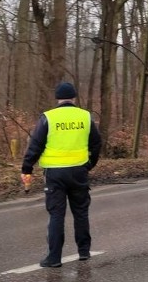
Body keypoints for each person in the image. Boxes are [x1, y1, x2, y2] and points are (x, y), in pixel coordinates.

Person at [21, 82, 103, 268]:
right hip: (79, 171)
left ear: (57, 98)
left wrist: (27, 168)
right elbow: (97, 144)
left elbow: (35, 146)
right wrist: (90, 164)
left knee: (57, 215)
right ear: (74, 98)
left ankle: (54, 258)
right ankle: (84, 251)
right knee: (81, 212)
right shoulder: (85, 116)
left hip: (55, 174)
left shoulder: (48, 118)